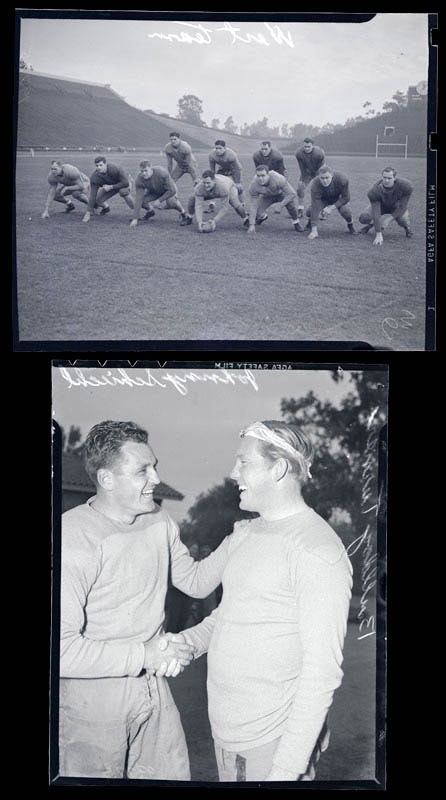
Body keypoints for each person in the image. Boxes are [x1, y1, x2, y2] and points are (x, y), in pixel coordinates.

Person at [180, 420, 353, 782]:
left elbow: (321, 673)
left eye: (243, 462)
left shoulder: (317, 549)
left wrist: (286, 772)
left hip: (271, 742)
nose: (232, 473)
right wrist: (186, 643)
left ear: (278, 469)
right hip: (227, 731)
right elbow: (228, 617)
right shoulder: (245, 533)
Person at [59, 420, 229, 780]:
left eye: (154, 466)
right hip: (93, 697)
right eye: (142, 471)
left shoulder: (159, 520)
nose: (154, 478)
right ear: (106, 479)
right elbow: (61, 651)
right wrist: (147, 654)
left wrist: (236, 543)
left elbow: (195, 582)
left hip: (153, 685)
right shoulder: (72, 538)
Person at [358, 166, 414, 245]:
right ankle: (370, 225)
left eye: (389, 178)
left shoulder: (406, 186)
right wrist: (378, 234)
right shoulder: (374, 190)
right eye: (384, 177)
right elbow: (376, 212)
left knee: (403, 219)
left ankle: (407, 228)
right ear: (382, 177)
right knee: (364, 217)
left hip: (396, 206)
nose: (386, 180)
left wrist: (388, 219)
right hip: (381, 206)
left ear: (394, 178)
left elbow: (402, 206)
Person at [181, 170, 248, 231]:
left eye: (208, 183)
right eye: (204, 183)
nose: (206, 185)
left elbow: (224, 207)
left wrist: (214, 220)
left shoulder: (223, 188)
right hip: (211, 192)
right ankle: (189, 217)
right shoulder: (199, 187)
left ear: (214, 181)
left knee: (234, 202)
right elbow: (198, 206)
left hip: (230, 186)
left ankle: (246, 219)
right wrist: (200, 222)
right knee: (192, 198)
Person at [129, 161, 189, 227]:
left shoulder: (162, 172)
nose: (144, 173)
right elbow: (138, 198)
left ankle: (183, 214)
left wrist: (159, 200)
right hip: (154, 191)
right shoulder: (139, 179)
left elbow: (172, 190)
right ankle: (150, 212)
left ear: (151, 168)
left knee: (172, 202)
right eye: (142, 171)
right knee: (141, 201)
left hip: (167, 190)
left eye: (146, 171)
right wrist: (135, 218)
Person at [304, 165, 357, 239]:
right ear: (318, 177)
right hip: (323, 199)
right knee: (309, 211)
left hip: (337, 198)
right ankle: (310, 223)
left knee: (345, 211)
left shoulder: (342, 179)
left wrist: (331, 208)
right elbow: (315, 206)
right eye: (322, 178)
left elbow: (346, 198)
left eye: (327, 177)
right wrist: (314, 230)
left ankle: (350, 225)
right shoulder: (315, 184)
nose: (325, 181)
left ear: (332, 176)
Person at [246, 165, 301, 233]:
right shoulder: (254, 185)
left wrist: (281, 205)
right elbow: (253, 205)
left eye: (263, 175)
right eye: (258, 176)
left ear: (268, 174)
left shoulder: (278, 178)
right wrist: (251, 225)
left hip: (281, 194)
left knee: (291, 205)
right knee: (257, 211)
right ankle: (263, 217)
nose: (260, 178)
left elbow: (292, 194)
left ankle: (296, 222)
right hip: (267, 197)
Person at [82, 156, 135, 222]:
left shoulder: (114, 168)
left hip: (123, 182)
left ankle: (136, 213)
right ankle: (106, 208)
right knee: (97, 201)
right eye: (97, 165)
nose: (99, 167)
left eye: (101, 165)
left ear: (105, 164)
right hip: (111, 185)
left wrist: (111, 187)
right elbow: (93, 195)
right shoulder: (94, 177)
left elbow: (125, 183)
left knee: (123, 192)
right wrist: (88, 212)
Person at [295, 137, 326, 217]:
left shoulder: (319, 153)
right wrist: (303, 179)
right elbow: (302, 168)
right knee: (300, 188)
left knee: (321, 190)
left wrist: (318, 179)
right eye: (305, 147)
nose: (307, 148)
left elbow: (322, 168)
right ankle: (300, 210)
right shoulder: (299, 153)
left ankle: (323, 210)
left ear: (313, 146)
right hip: (307, 172)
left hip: (318, 171)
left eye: (309, 146)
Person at [208, 140, 245, 205]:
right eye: (216, 148)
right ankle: (212, 203)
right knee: (214, 184)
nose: (218, 150)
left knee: (239, 187)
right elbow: (212, 169)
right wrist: (212, 177)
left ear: (225, 148)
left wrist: (238, 182)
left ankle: (242, 203)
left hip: (234, 169)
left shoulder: (231, 154)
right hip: (222, 169)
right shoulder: (212, 155)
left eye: (220, 148)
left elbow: (236, 169)